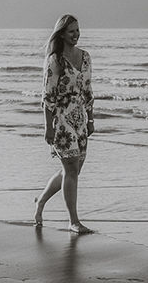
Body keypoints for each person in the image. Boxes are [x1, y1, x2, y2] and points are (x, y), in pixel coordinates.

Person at [34, 14, 95, 234]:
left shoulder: (85, 57)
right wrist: (48, 127)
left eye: (78, 30)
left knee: (72, 170)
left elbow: (87, 91)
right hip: (61, 120)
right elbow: (47, 96)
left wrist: (91, 118)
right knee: (70, 169)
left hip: (79, 120)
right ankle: (74, 221)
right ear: (61, 33)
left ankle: (40, 201)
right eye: (71, 31)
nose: (76, 35)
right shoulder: (55, 60)